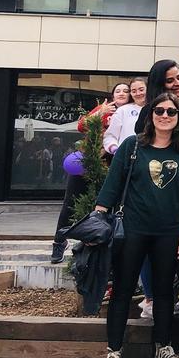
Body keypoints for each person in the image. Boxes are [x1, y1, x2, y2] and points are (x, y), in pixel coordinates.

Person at [95, 93, 179, 358]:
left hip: (169, 231)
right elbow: (112, 185)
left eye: (171, 112)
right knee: (123, 290)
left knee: (165, 290)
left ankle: (163, 346)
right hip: (132, 229)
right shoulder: (132, 146)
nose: (165, 115)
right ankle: (113, 351)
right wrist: (97, 218)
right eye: (159, 110)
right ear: (150, 114)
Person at [51, 82, 131, 264]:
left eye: (126, 91)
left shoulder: (133, 112)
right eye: (117, 90)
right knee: (70, 201)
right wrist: (100, 112)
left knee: (105, 206)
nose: (121, 93)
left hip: (113, 162)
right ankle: (59, 241)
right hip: (90, 158)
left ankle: (99, 245)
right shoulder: (104, 108)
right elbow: (81, 126)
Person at [103, 76, 147, 155]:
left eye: (141, 90)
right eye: (133, 91)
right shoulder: (122, 110)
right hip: (126, 158)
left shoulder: (157, 109)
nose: (138, 93)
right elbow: (110, 136)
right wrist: (115, 150)